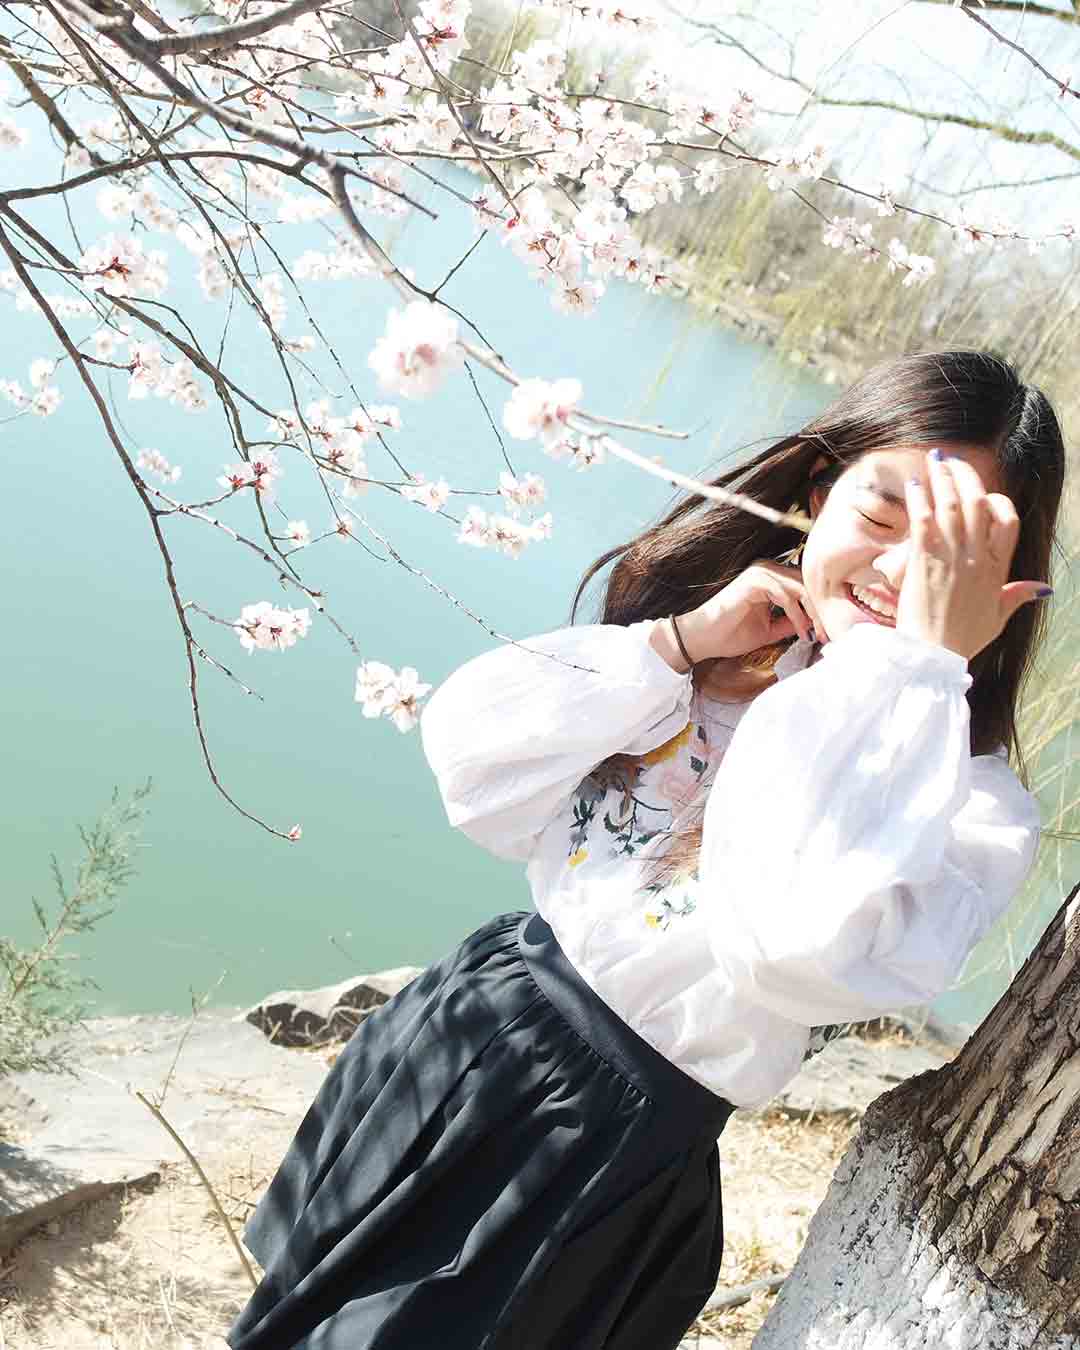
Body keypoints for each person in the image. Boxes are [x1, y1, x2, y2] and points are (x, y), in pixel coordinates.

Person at [226, 350, 1066, 1350]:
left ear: (1006, 583)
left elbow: (791, 945)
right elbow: (476, 770)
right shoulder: (715, 652)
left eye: (948, 558)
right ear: (818, 490)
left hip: (609, 1141)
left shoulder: (970, 802)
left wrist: (915, 671)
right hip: (479, 1022)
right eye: (881, 519)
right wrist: (675, 644)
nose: (897, 574)